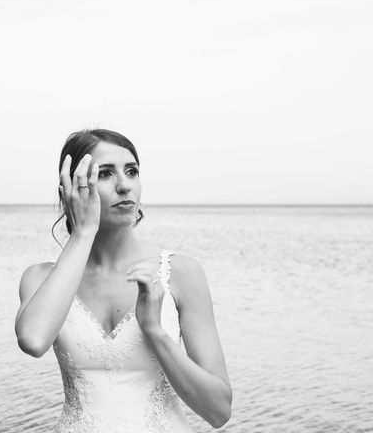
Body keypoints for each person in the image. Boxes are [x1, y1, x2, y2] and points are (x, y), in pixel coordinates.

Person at [15, 128, 232, 432]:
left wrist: (155, 332)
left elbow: (218, 411)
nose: (124, 185)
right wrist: (82, 233)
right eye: (104, 174)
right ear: (71, 189)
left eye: (132, 171)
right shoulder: (40, 278)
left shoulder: (182, 273)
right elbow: (33, 340)